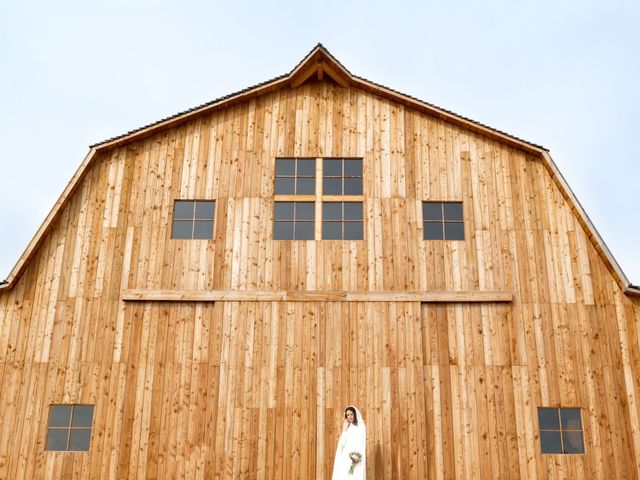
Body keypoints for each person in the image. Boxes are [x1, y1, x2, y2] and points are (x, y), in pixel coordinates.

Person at [331, 405, 366, 479]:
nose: (350, 416)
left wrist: (357, 456)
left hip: (356, 456)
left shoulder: (361, 426)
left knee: (356, 476)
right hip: (346, 457)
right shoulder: (348, 427)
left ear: (355, 414)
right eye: (348, 415)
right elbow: (342, 442)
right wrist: (344, 430)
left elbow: (361, 442)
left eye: (351, 414)